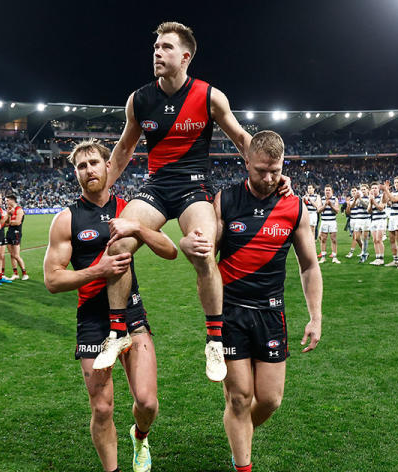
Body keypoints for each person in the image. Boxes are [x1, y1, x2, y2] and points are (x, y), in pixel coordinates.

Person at [97, 21, 291, 382]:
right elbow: (123, 151)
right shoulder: (139, 100)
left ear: (185, 56)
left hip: (193, 187)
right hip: (155, 186)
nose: (157, 52)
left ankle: (215, 340)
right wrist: (97, 192)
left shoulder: (209, 96)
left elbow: (241, 138)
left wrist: (273, 172)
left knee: (203, 248)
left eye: (166, 47)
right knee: (118, 242)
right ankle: (116, 332)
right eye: (155, 47)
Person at [43, 140, 176, 472]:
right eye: (80, 166)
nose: (88, 170)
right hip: (92, 322)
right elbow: (52, 279)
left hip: (132, 315)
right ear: (76, 173)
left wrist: (139, 228)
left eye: (94, 162)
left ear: (108, 166)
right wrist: (96, 272)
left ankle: (140, 436)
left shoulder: (130, 209)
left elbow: (169, 250)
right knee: (102, 408)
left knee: (147, 403)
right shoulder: (67, 220)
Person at [196, 130, 321, 472]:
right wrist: (198, 248)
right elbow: (208, 256)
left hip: (271, 312)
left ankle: (239, 440)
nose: (269, 178)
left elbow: (309, 265)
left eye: (276, 170)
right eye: (262, 170)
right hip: (230, 312)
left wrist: (316, 316)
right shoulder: (226, 200)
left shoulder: (294, 207)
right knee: (238, 398)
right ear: (246, 162)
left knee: (268, 400)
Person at [4, 195, 28, 280]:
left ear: (12, 200)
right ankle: (15, 273)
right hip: (9, 233)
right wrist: (9, 214)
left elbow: (17, 222)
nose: (6, 202)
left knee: (16, 255)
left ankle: (24, 273)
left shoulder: (19, 210)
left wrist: (10, 220)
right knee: (11, 255)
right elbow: (5, 223)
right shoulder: (9, 210)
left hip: (16, 233)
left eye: (7, 201)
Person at [317, 185, 340, 264]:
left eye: (329, 190)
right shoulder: (321, 199)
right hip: (324, 221)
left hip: (332, 221)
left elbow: (337, 211)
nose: (327, 191)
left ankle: (334, 257)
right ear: (324, 191)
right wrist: (325, 205)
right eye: (326, 190)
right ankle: (323, 257)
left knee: (333, 239)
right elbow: (319, 210)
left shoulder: (335, 199)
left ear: (331, 191)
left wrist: (331, 205)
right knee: (323, 239)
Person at [367, 183, 388, 265]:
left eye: (375, 188)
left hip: (381, 220)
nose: (374, 189)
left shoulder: (382, 196)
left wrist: (373, 201)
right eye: (372, 188)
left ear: (378, 189)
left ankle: (381, 259)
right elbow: (369, 211)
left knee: (379, 239)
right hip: (374, 220)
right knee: (375, 240)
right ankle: (377, 258)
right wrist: (371, 202)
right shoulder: (371, 198)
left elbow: (381, 208)